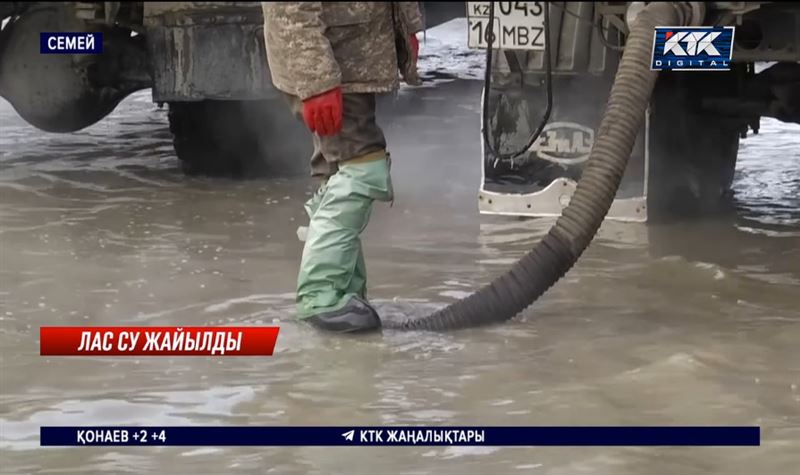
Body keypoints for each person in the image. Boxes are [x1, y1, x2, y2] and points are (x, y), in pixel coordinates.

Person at [261, 2, 423, 333]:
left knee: (337, 170)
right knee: (363, 169)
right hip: (331, 65)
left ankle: (345, 289)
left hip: (350, 59)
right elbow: (290, 8)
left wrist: (404, 27)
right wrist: (316, 79)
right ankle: (321, 296)